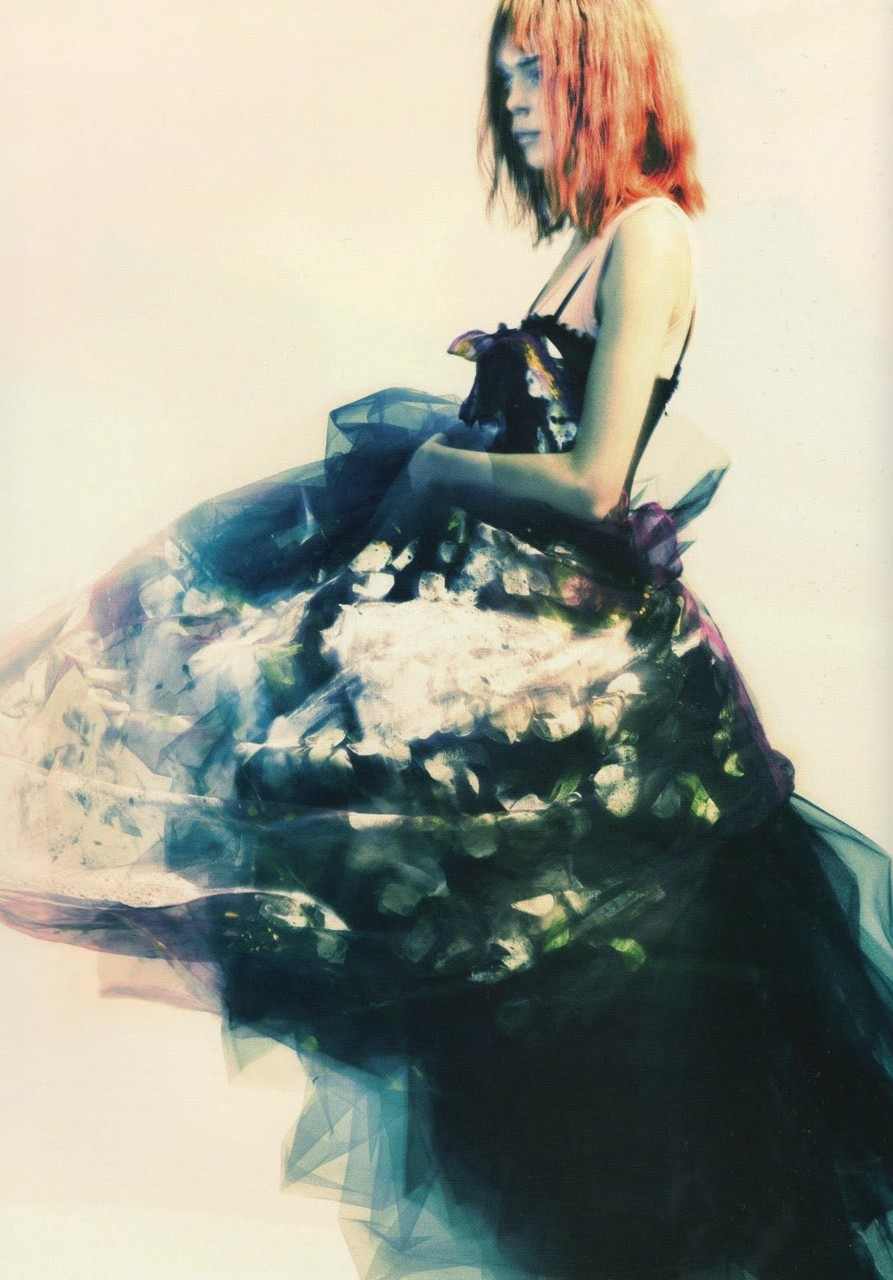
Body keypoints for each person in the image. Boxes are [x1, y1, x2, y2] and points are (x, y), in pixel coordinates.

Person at [1, 1, 892, 1277]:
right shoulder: (587, 241)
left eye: (534, 75)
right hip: (522, 643)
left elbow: (590, 480)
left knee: (614, 1022)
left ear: (601, 77)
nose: (512, 102)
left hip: (596, 680)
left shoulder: (647, 234)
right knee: (309, 771)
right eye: (504, 77)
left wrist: (437, 464)